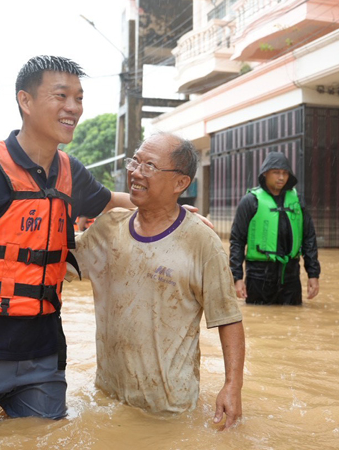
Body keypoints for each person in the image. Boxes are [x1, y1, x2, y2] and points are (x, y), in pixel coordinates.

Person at [0, 55, 134, 424]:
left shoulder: (70, 171)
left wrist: (174, 211)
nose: (73, 108)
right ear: (26, 101)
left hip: (42, 354)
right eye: (61, 96)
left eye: (79, 98)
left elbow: (112, 201)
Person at [72, 133, 245, 429]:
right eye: (135, 162)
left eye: (149, 166)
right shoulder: (108, 229)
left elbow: (228, 318)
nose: (136, 173)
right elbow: (55, 263)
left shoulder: (202, 242)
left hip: (169, 410)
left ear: (180, 183)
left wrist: (233, 386)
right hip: (108, 399)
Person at [229, 151, 321, 305]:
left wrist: (313, 274)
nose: (281, 177)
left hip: (290, 276)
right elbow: (237, 241)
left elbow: (309, 238)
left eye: (285, 173)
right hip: (259, 277)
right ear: (265, 173)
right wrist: (237, 278)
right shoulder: (250, 201)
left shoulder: (297, 201)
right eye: (276, 172)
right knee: (260, 324)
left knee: (291, 319)